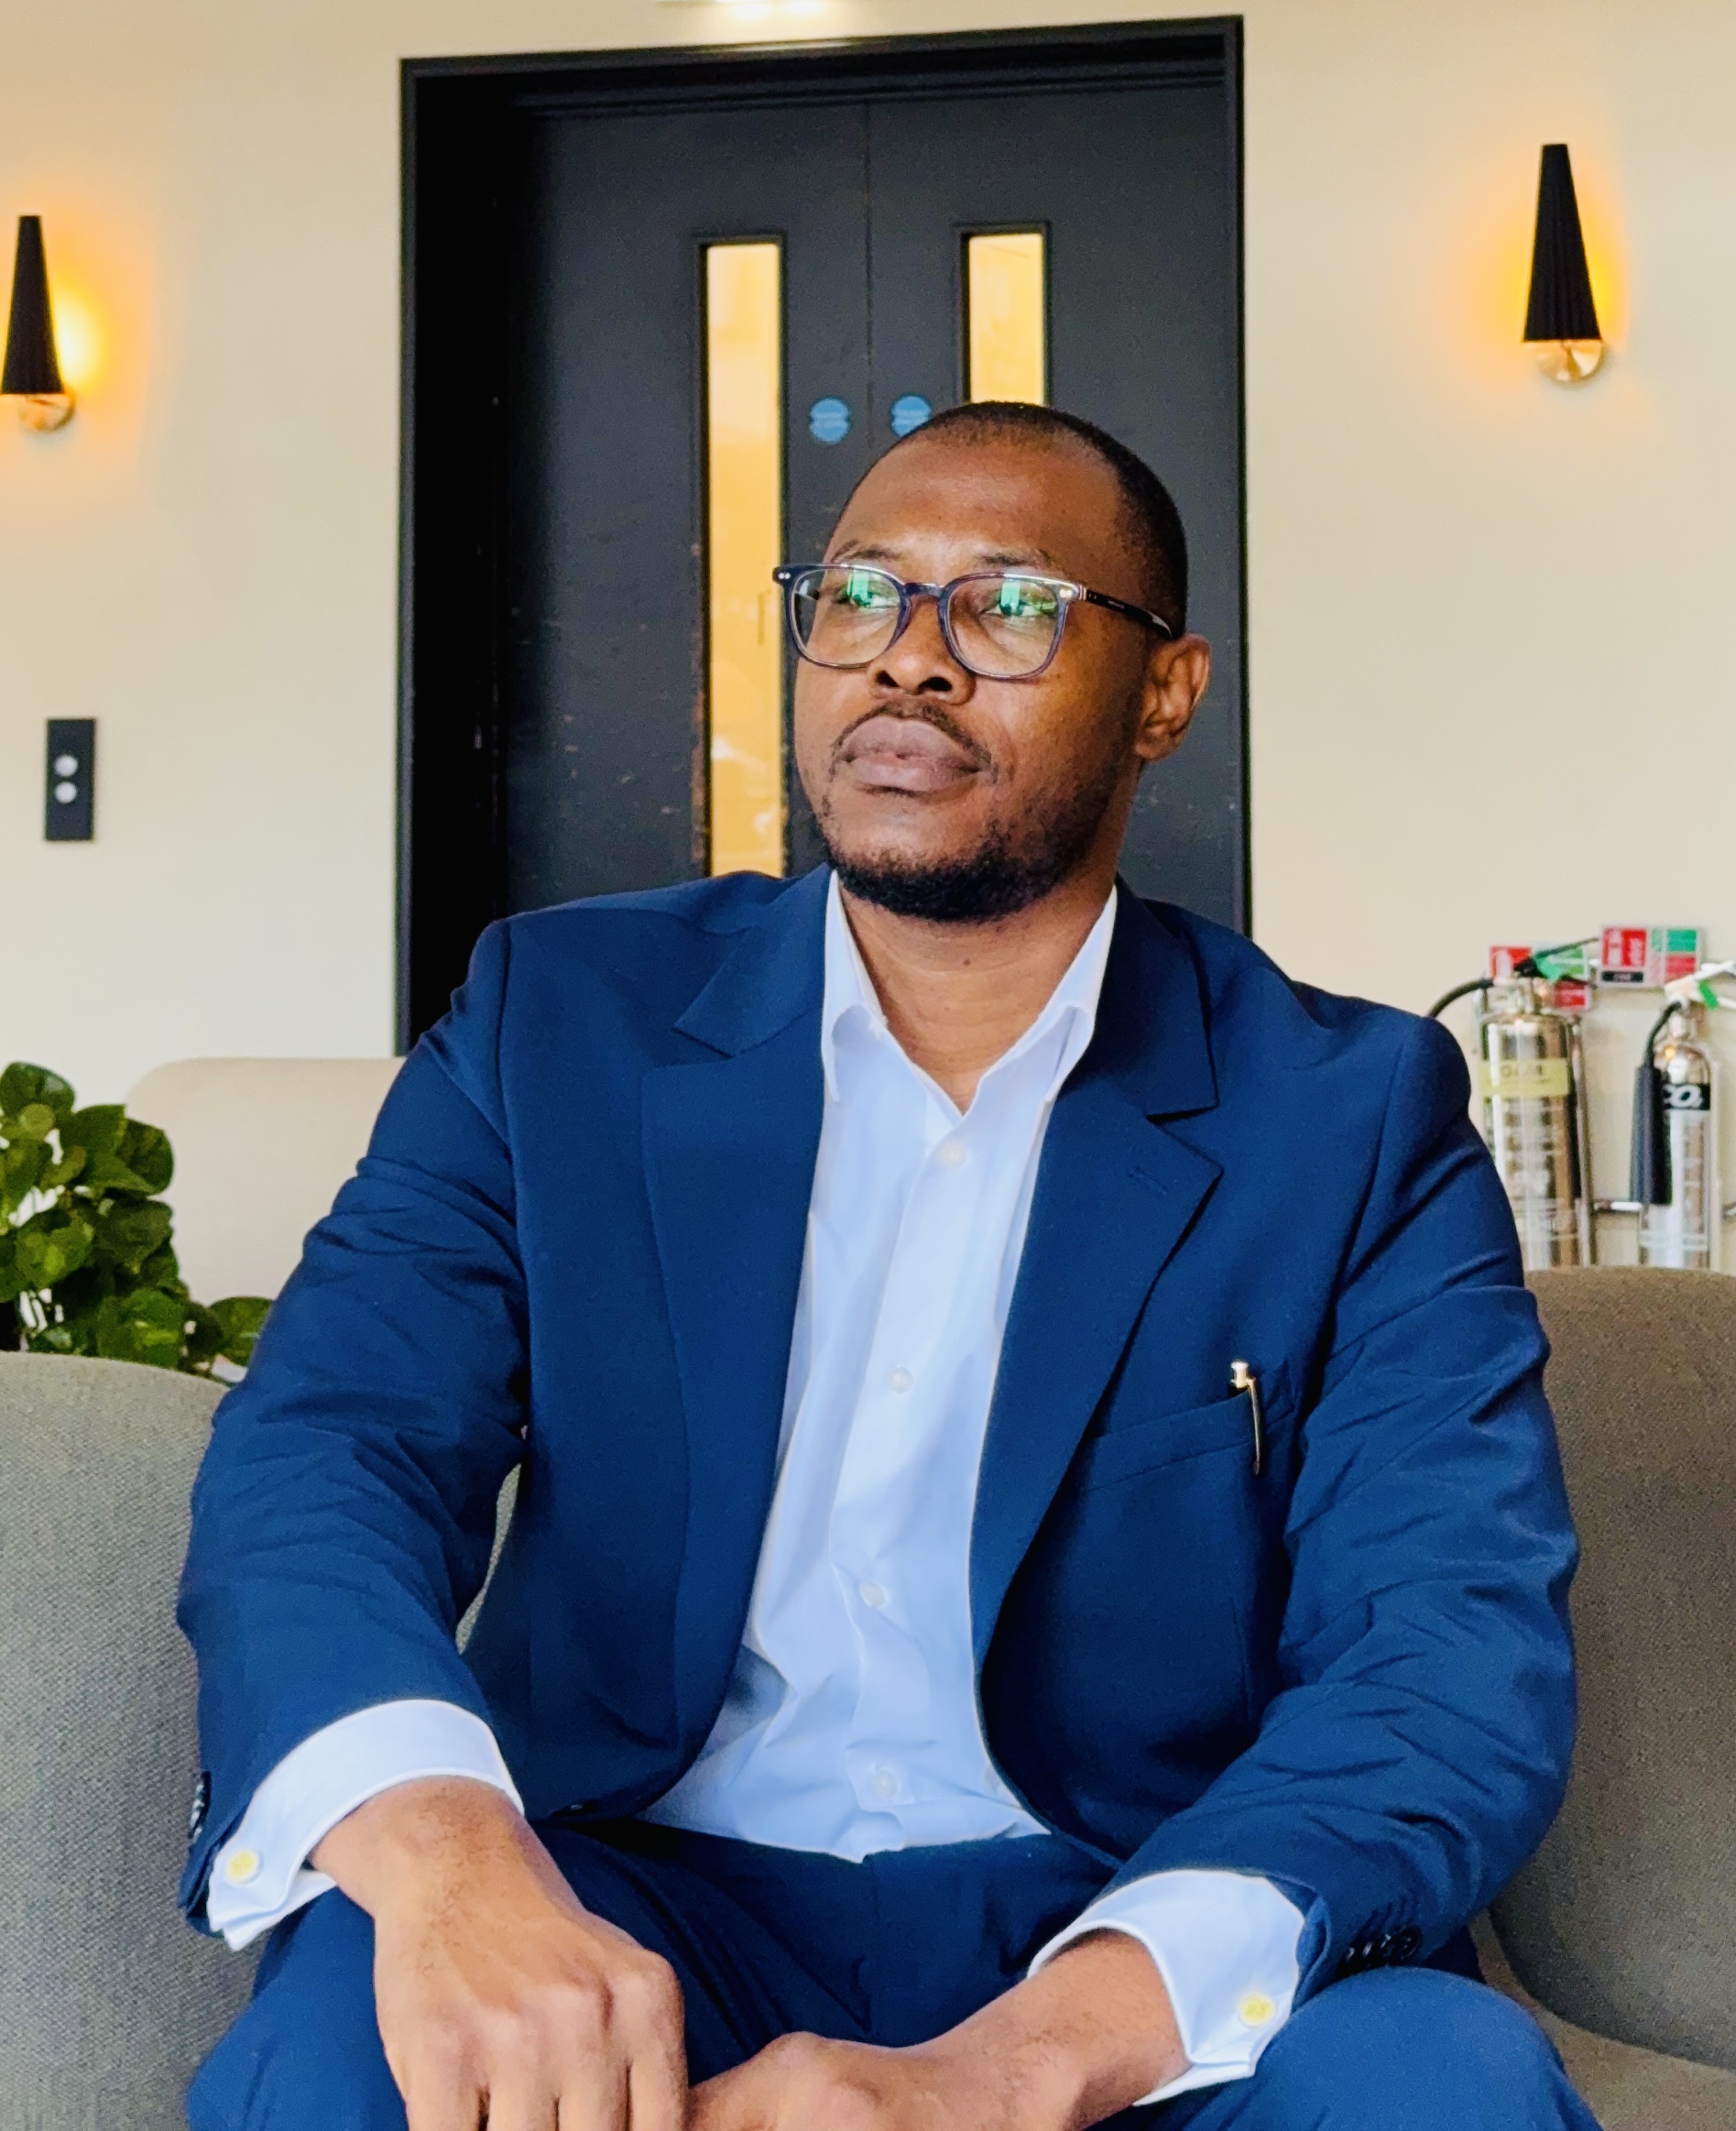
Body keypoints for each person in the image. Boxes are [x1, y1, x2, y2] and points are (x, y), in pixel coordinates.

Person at [180, 400, 1597, 2131]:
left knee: (1444, 2089)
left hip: (1124, 1926)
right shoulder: (557, 1023)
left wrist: (1010, 2072)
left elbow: (1444, 1652)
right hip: (631, 1899)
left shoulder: (1350, 1115)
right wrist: (446, 1855)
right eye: (859, 595)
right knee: (349, 2052)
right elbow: (331, 1447)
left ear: (1166, 694)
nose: (908, 661)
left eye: (1009, 608)